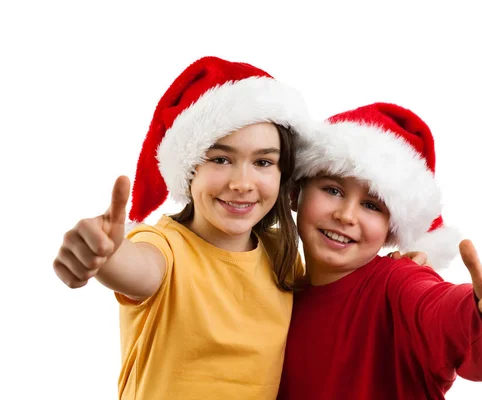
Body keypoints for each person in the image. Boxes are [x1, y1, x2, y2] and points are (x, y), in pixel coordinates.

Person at [52, 56, 315, 400]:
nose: (242, 182)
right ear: (189, 170)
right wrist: (104, 254)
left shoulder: (282, 255)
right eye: (220, 159)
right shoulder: (163, 248)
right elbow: (137, 267)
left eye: (263, 162)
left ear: (283, 175)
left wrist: (403, 265)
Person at [278, 102, 482, 399]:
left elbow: (440, 310)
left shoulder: (397, 283)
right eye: (332, 190)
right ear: (295, 193)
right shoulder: (280, 296)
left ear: (392, 227)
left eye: (371, 205)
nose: (346, 216)